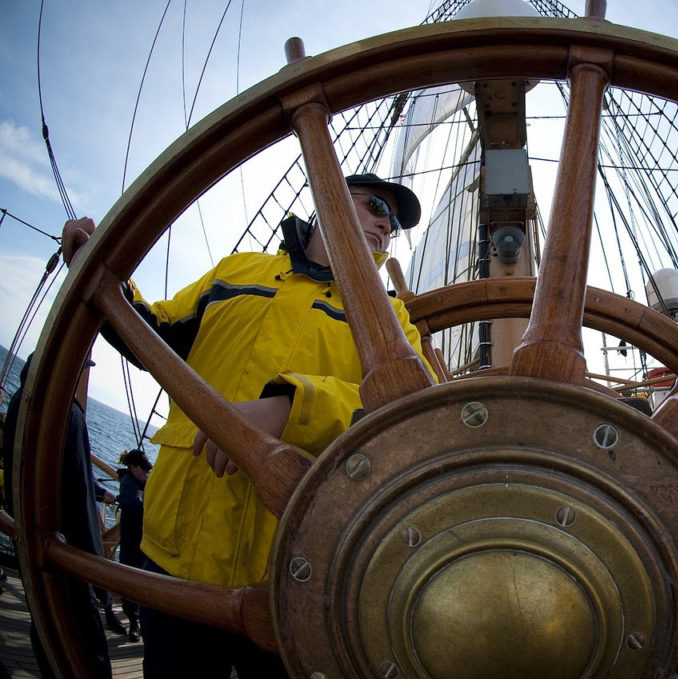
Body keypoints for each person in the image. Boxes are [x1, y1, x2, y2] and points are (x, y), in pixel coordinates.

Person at [62, 173, 434, 678]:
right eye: (374, 205)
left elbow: (415, 414)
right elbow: (151, 333)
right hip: (177, 555)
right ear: (327, 199)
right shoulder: (236, 273)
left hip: (291, 575)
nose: (386, 224)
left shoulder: (390, 318)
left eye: (392, 222)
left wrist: (290, 407)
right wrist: (99, 272)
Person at [2, 354, 113, 679]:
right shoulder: (69, 414)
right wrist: (99, 578)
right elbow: (79, 493)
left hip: (30, 536)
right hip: (66, 552)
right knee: (85, 649)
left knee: (46, 625)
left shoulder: (20, 401)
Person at [115, 448, 151, 642]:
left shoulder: (138, 482)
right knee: (129, 584)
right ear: (133, 467)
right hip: (132, 544)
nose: (146, 473)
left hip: (142, 544)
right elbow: (137, 509)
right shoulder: (129, 485)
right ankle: (134, 623)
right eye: (143, 470)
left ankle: (140, 622)